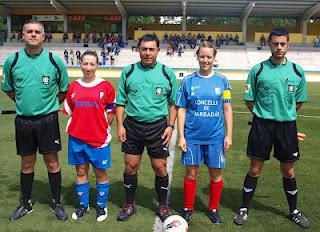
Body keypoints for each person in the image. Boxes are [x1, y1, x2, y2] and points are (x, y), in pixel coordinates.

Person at [233, 28, 310, 228]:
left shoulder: (297, 71)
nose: (279, 47)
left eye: (282, 44)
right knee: (255, 168)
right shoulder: (258, 70)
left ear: (288, 45)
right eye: (275, 43)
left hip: (287, 128)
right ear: (269, 44)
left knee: (289, 171)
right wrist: (264, 116)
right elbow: (250, 101)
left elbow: (298, 102)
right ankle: (244, 209)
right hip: (262, 126)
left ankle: (293, 210)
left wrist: (284, 114)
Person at [1, 19, 69, 221]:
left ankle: (57, 203)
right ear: (22, 35)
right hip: (23, 121)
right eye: (29, 31)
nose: (33, 34)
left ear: (43, 36)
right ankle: (26, 203)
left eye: (37, 32)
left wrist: (47, 106)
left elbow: (63, 90)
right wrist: (24, 104)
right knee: (27, 163)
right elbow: (9, 90)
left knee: (52, 162)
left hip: (48, 120)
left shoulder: (54, 61)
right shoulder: (12, 61)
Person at [116, 34, 178, 222]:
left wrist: (170, 125)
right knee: (131, 166)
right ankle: (129, 204)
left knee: (159, 167)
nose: (148, 53)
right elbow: (120, 102)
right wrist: (120, 125)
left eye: (152, 49)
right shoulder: (128, 71)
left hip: (158, 127)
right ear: (139, 50)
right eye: (145, 49)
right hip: (132, 126)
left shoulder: (167, 73)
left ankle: (162, 206)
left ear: (158, 51)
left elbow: (173, 103)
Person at [175, 41, 233, 225]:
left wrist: (229, 134)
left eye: (209, 57)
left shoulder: (222, 81)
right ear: (197, 57)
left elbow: (227, 108)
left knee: (216, 173)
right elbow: (181, 109)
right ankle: (188, 208)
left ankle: (213, 209)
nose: (205, 60)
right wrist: (181, 136)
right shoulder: (188, 81)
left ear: (214, 58)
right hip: (192, 137)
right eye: (202, 56)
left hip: (215, 137)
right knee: (191, 173)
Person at [64, 51, 116, 222]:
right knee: (80, 171)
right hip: (77, 139)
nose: (88, 68)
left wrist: (101, 127)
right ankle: (83, 205)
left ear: (97, 65)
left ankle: (101, 206)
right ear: (80, 64)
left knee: (100, 172)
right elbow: (71, 111)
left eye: (92, 64)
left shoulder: (106, 86)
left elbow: (111, 110)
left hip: (99, 139)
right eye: (85, 64)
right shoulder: (73, 87)